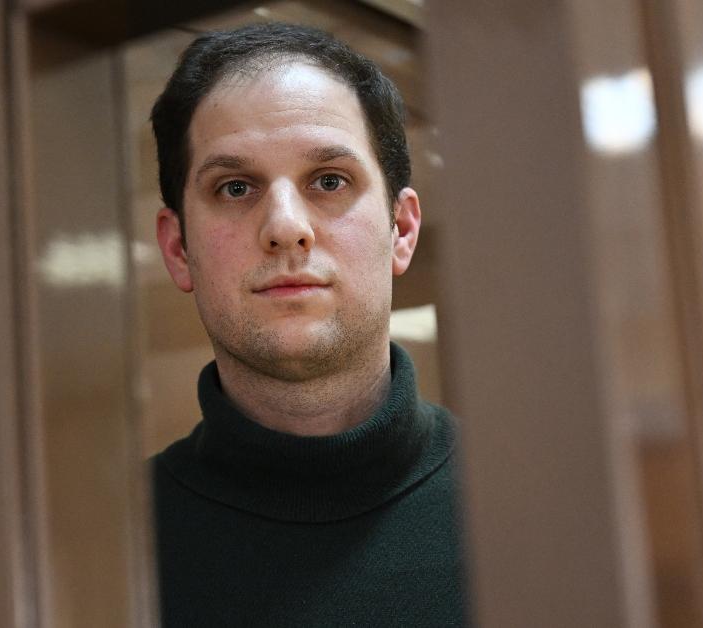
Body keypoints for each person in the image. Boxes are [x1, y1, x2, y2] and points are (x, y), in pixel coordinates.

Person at [149, 21, 468, 627]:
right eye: (236, 187)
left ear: (401, 230)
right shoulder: (98, 555)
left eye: (329, 181)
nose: (286, 227)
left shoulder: (533, 515)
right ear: (178, 249)